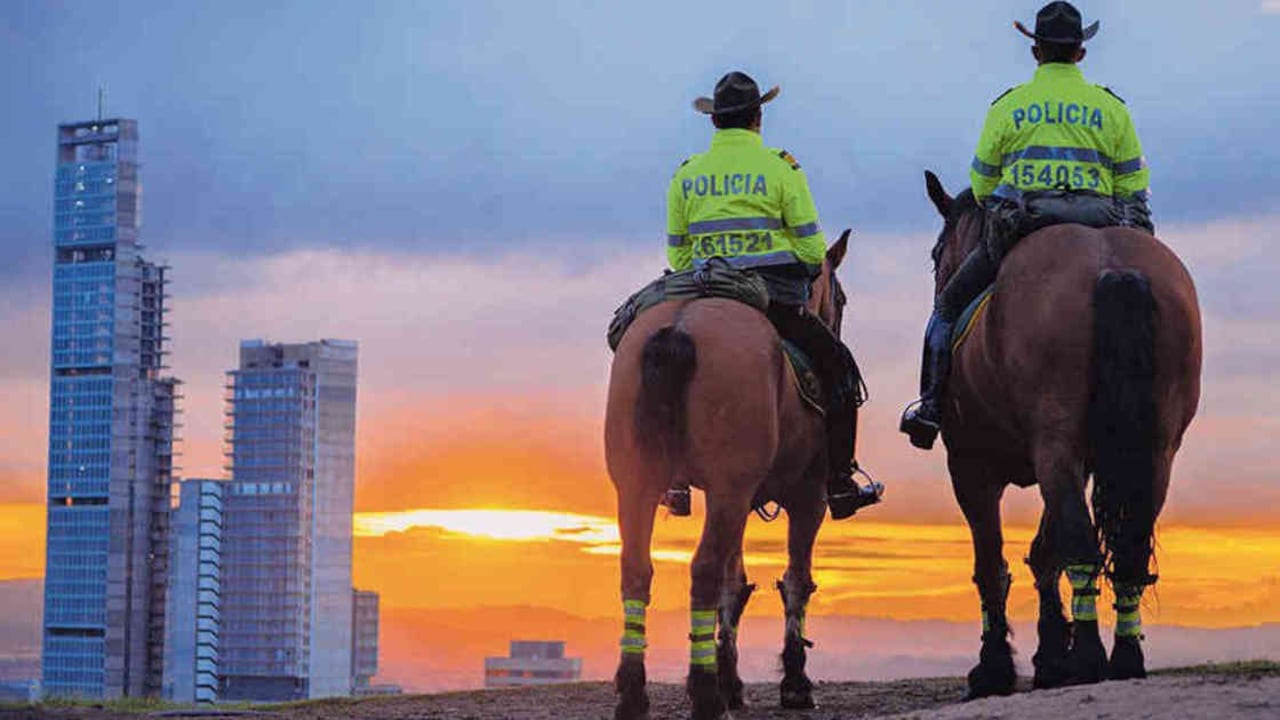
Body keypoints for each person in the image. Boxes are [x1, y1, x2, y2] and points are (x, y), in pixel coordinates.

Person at [900, 2, 1154, 450]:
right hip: (1102, 219)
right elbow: (1133, 182)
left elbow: (981, 185)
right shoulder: (1111, 108)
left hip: (1026, 225)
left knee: (946, 309)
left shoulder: (1009, 106)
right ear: (1081, 53)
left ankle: (931, 408)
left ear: (1036, 51)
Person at [667, 70, 881, 520]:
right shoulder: (782, 167)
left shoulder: (687, 174)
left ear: (714, 122)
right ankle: (840, 481)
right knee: (840, 369)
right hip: (771, 301)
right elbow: (808, 247)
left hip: (705, 291)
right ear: (757, 118)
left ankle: (671, 476)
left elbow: (679, 254)